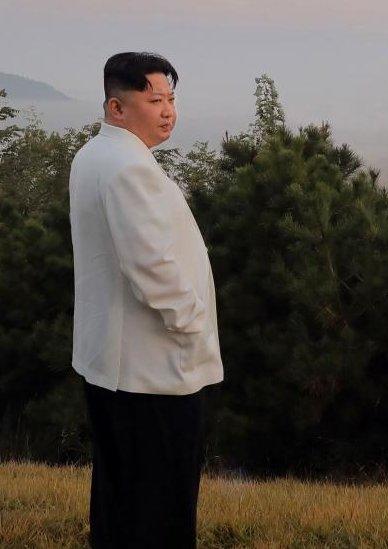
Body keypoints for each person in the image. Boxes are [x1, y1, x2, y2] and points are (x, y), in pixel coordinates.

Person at [68, 51, 224, 548]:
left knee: (122, 490)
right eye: (154, 99)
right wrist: (191, 322)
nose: (167, 111)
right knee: (161, 499)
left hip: (114, 362)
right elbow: (151, 266)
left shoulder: (96, 155)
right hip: (150, 367)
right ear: (117, 107)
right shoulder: (128, 168)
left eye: (171, 99)